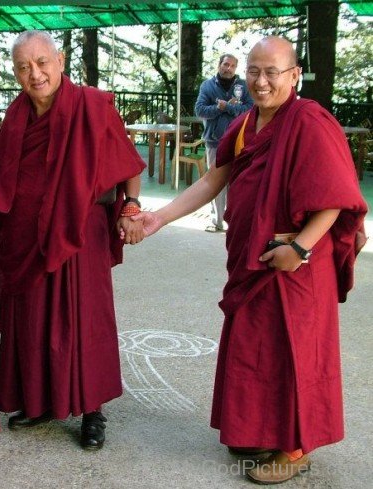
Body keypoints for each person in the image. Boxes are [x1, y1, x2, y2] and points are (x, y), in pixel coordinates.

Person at [133, 36, 367, 484]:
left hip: (296, 264)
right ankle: (257, 428)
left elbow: (335, 198)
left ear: (294, 76)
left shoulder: (310, 122)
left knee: (293, 352)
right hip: (254, 257)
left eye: (271, 72)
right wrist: (158, 218)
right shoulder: (244, 125)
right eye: (254, 72)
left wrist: (298, 250)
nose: (260, 82)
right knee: (254, 347)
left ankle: (295, 447)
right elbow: (212, 181)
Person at [0, 31, 146, 451]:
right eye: (24, 67)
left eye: (43, 62)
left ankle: (92, 410)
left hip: (82, 230)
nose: (35, 74)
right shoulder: (15, 117)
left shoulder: (92, 105)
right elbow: (3, 178)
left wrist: (132, 206)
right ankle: (41, 400)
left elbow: (127, 161)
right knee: (32, 318)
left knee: (84, 317)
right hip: (27, 231)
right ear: (15, 72)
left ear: (60, 60)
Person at [194, 54, 253, 233]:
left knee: (237, 183)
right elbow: (200, 110)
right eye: (226, 64)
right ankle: (217, 221)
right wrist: (217, 108)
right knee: (215, 183)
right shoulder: (208, 85)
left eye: (232, 66)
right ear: (219, 65)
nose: (229, 68)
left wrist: (227, 107)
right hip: (215, 141)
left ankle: (234, 222)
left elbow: (250, 110)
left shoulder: (243, 86)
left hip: (240, 142)